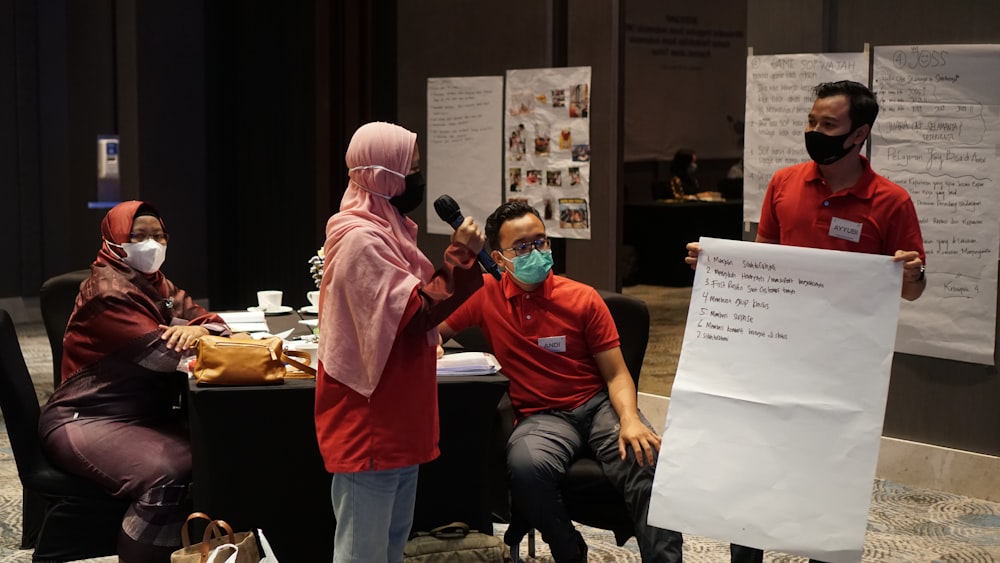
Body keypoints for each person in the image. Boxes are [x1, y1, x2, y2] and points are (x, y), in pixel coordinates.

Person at [685, 80, 927, 563]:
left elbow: (912, 288)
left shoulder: (891, 202)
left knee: (826, 478)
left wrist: (912, 274)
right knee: (753, 467)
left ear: (859, 134)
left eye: (828, 125)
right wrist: (719, 267)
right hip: (773, 355)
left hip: (842, 369)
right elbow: (763, 264)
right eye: (812, 122)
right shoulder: (783, 183)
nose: (814, 132)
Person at [439, 201, 684, 563]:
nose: (535, 252)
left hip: (596, 404)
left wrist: (630, 419)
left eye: (541, 242)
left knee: (646, 459)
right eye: (522, 247)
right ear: (498, 256)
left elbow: (617, 373)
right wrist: (433, 348)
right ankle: (569, 549)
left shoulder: (581, 298)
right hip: (541, 416)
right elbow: (433, 331)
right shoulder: (484, 295)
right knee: (525, 469)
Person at [314, 121, 485, 563]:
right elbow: (415, 313)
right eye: (411, 169)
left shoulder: (389, 230)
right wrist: (461, 257)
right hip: (371, 415)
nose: (417, 180)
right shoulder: (359, 238)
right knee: (362, 551)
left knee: (391, 544)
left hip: (399, 408)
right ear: (383, 175)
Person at [38, 200, 232, 562]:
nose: (151, 245)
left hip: (141, 415)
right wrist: (198, 335)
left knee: (217, 450)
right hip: (88, 417)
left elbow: (217, 324)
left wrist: (196, 332)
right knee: (169, 475)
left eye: (158, 236)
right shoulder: (108, 291)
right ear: (113, 240)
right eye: (138, 236)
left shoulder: (157, 284)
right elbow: (166, 357)